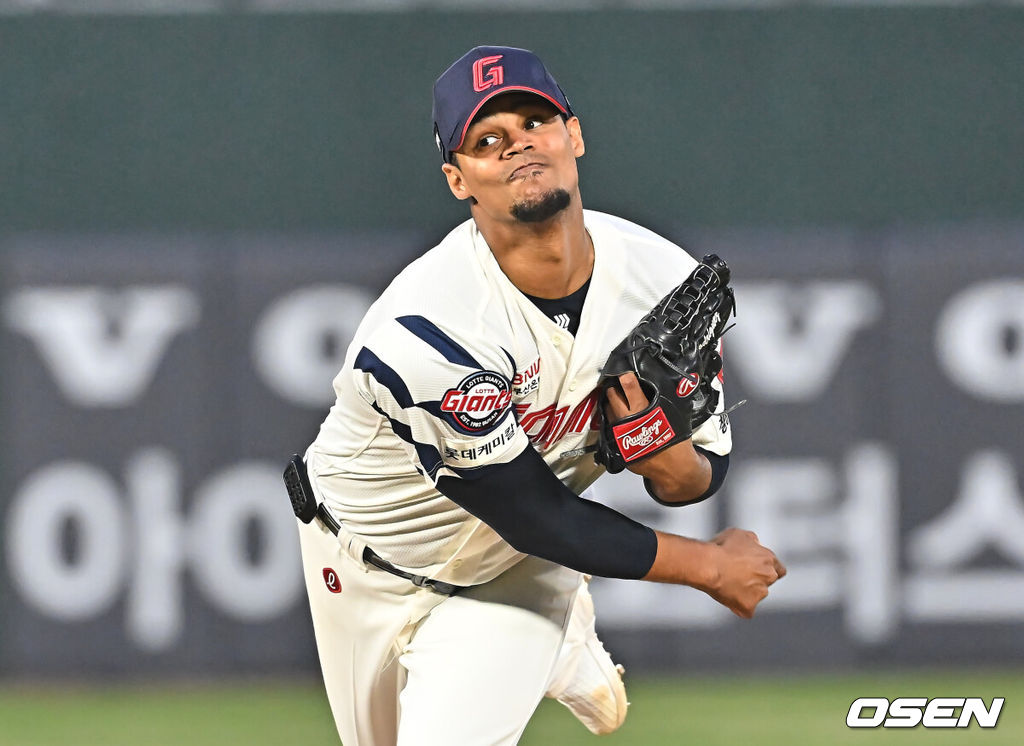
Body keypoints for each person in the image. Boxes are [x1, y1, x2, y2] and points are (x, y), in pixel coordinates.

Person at [293, 45, 785, 746]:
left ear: (573, 135)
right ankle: (563, 646)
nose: (518, 144)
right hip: (358, 558)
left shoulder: (662, 280)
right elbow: (534, 512)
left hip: (514, 575)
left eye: (535, 120)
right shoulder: (432, 326)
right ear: (458, 179)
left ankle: (547, 627)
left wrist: (663, 453)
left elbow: (692, 478)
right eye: (487, 141)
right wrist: (708, 566)